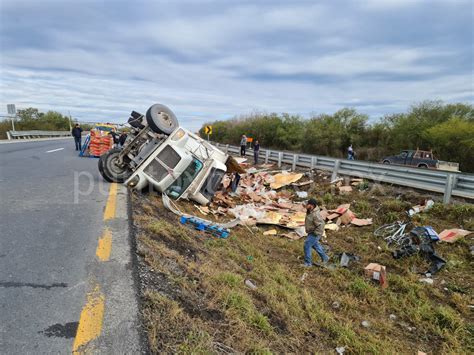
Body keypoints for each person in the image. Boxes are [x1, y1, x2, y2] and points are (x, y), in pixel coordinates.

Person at [303, 198, 329, 266]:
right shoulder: (310, 210)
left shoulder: (315, 215)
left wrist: (316, 234)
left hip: (315, 233)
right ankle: (325, 258)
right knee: (315, 246)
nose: (306, 205)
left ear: (311, 205)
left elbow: (321, 224)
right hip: (311, 231)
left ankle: (308, 263)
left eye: (307, 204)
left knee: (307, 245)